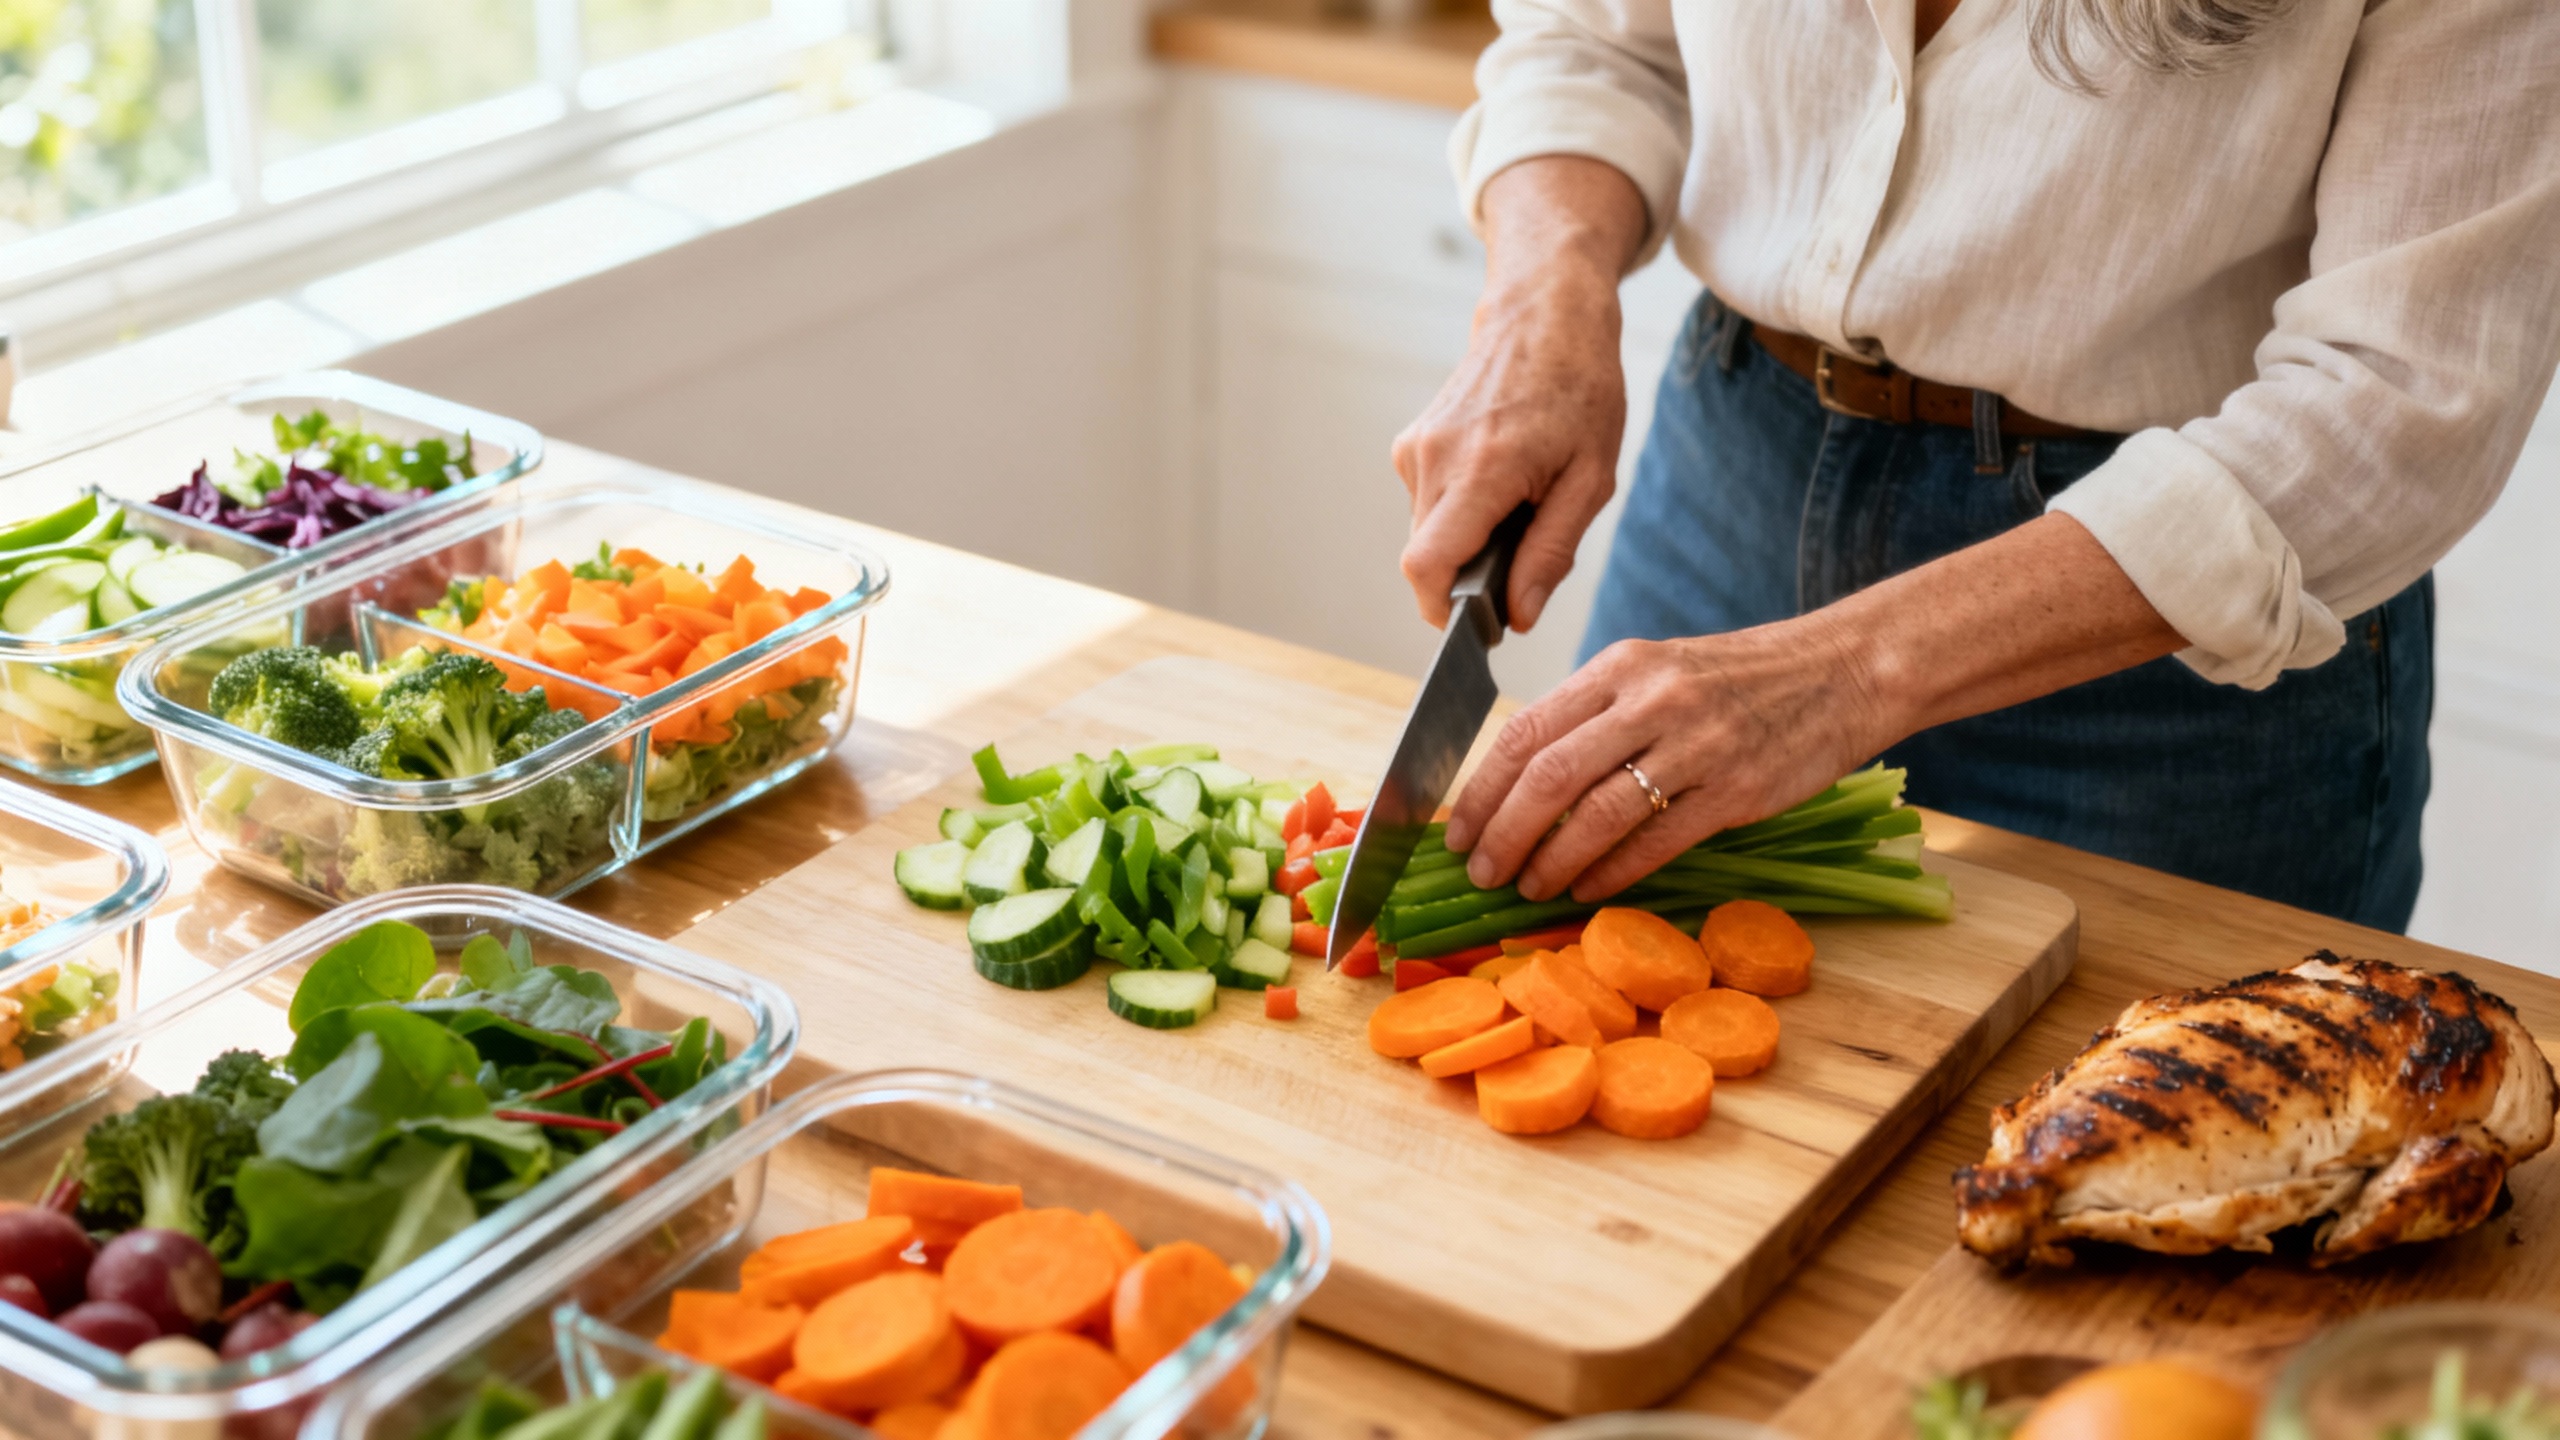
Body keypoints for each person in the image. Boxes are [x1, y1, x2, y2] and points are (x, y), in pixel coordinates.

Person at [1396, 0, 2560, 930]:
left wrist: (1846, 672)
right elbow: (1598, 38)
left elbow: (2401, 398)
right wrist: (1540, 303)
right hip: (1731, 470)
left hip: (2171, 648)